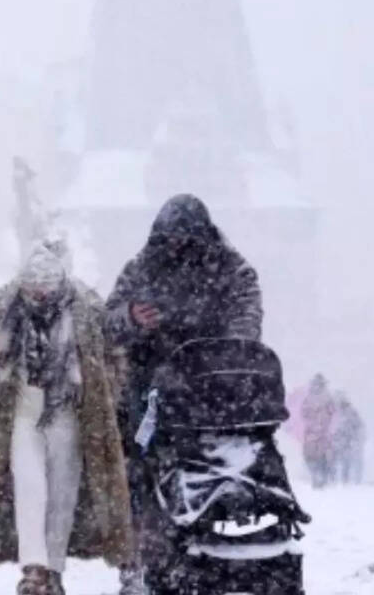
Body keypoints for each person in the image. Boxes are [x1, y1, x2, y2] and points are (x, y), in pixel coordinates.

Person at [105, 194, 263, 595]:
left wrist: (222, 358)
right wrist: (132, 318)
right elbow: (106, 321)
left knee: (215, 474)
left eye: (185, 240)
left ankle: (208, 553)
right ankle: (140, 563)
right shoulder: (140, 268)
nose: (177, 247)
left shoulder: (233, 271)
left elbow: (246, 325)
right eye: (170, 239)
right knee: (141, 477)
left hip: (211, 393)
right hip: (150, 394)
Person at [0, 245, 133, 595]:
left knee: (63, 492)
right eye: (33, 288)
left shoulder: (85, 307)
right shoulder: (3, 307)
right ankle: (35, 569)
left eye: (46, 287)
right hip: (21, 410)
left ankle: (53, 568)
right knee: (29, 489)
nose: (40, 295)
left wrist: (107, 398)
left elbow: (114, 356)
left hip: (70, 412)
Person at [301, 374, 337, 489]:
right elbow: (333, 413)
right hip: (321, 432)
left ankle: (317, 476)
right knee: (320, 456)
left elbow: (304, 414)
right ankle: (320, 477)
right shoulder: (327, 397)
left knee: (312, 456)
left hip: (314, 432)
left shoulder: (310, 398)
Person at [330, 392, 364, 485]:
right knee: (338, 461)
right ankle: (338, 480)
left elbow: (358, 425)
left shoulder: (350, 412)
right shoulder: (332, 411)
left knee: (343, 461)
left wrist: (354, 437)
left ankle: (343, 480)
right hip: (339, 440)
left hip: (345, 440)